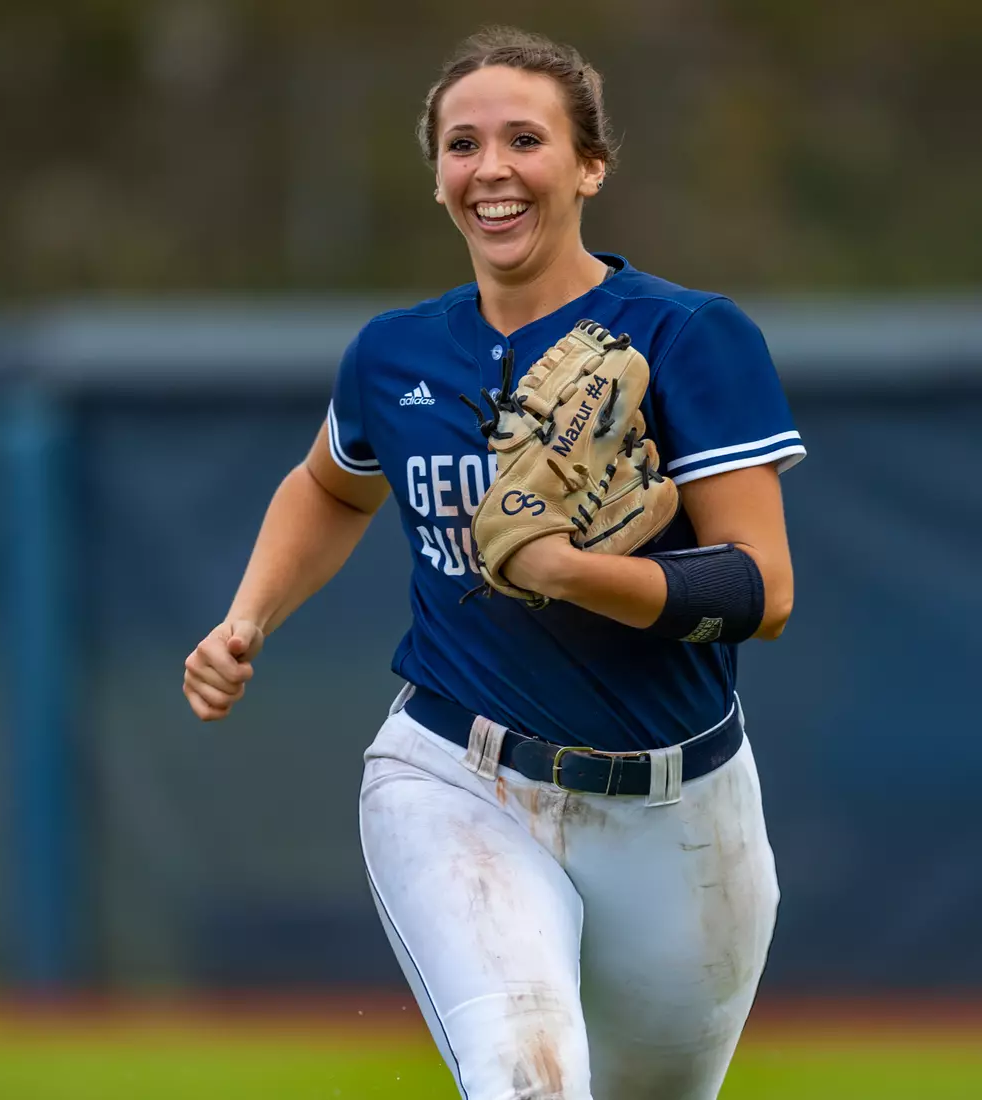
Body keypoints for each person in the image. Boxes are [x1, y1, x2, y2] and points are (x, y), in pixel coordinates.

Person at [182, 26, 806, 1100]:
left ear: (590, 164)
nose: (492, 169)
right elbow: (331, 484)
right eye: (462, 145)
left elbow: (763, 590)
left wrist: (572, 571)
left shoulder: (688, 336)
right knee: (528, 1078)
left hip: (683, 807)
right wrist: (248, 619)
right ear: (437, 177)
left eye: (526, 138)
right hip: (457, 775)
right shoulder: (396, 352)